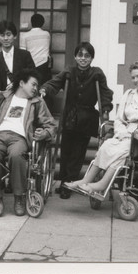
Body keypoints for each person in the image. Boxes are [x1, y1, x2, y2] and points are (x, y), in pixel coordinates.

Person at [64, 60, 138, 194]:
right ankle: (86, 180)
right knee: (107, 145)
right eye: (133, 77)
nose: (135, 80)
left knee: (123, 150)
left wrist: (135, 132)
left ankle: (102, 184)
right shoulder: (129, 94)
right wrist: (121, 132)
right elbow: (119, 118)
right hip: (126, 133)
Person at [0, 68, 57, 217]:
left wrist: (44, 133)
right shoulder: (1, 97)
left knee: (16, 156)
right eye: (33, 84)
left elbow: (51, 124)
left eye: (37, 86)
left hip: (20, 137)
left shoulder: (37, 102)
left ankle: (19, 198)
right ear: (22, 83)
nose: (36, 89)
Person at [40, 42, 113, 199]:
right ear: (75, 56)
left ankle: (70, 183)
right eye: (80, 55)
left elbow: (105, 93)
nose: (83, 58)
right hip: (69, 116)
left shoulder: (97, 74)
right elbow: (55, 83)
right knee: (66, 151)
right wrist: (45, 90)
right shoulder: (69, 71)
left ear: (92, 58)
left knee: (78, 153)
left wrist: (105, 108)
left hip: (86, 118)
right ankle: (64, 182)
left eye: (87, 55)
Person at [0, 20, 35, 100]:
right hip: (1, 100)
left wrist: (17, 84)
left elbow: (32, 76)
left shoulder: (25, 55)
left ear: (15, 36)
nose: (5, 38)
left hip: (22, 97)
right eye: (2, 35)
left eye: (9, 35)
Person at [19, 13, 52, 85]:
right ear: (42, 23)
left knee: (31, 87)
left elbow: (23, 53)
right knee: (43, 88)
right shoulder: (47, 34)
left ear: (31, 22)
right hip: (44, 65)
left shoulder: (25, 35)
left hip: (30, 65)